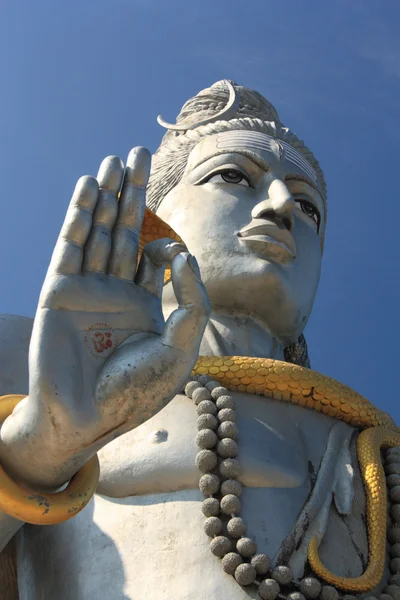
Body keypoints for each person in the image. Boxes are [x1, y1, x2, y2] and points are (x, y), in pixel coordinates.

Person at [0, 80, 396, 600]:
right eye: (233, 176)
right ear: (151, 217)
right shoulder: (33, 359)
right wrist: (39, 449)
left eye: (308, 209)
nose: (280, 207)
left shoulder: (374, 449)